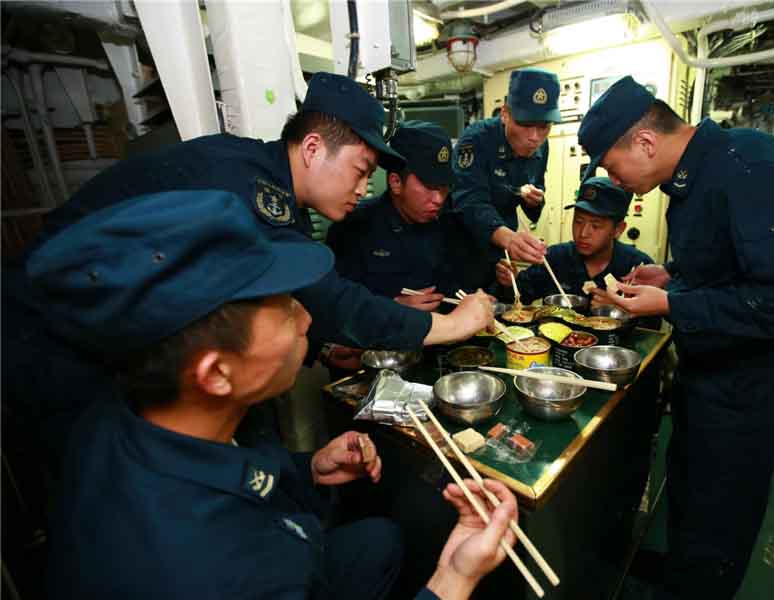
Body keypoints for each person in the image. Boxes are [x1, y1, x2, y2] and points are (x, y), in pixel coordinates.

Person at [30, 190, 518, 600]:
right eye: (285, 308)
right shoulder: (223, 571)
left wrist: (306, 469)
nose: (306, 319)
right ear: (216, 372)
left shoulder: (123, 418)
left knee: (381, 539)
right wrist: (454, 577)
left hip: (299, 544)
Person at [4, 71, 493, 470]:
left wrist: (323, 346)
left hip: (97, 334)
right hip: (47, 334)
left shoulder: (270, 187)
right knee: (94, 486)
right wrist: (454, 324)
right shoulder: (252, 188)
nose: (365, 188)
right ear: (313, 149)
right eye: (361, 170)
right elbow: (331, 302)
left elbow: (287, 301)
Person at [577, 76, 774, 598]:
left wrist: (673, 303)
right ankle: (681, 574)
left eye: (611, 167)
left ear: (645, 143)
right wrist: (673, 278)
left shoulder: (750, 169)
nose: (614, 179)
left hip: (750, 388)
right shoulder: (696, 176)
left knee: (722, 508)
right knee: (691, 487)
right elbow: (734, 270)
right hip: (711, 374)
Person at [326, 120, 457, 312]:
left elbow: (456, 285)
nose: (438, 199)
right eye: (429, 187)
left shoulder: (448, 222)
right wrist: (392, 308)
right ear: (396, 182)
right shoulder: (354, 228)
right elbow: (335, 305)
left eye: (444, 188)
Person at [450, 68, 562, 289]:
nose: (534, 137)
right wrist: (509, 239)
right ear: (505, 114)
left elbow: (537, 188)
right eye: (525, 124)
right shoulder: (476, 140)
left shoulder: (542, 146)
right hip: (463, 249)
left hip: (501, 254)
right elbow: (470, 202)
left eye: (543, 127)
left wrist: (535, 201)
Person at [494, 176, 653, 305]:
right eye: (578, 221)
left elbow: (652, 326)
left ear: (618, 229)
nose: (583, 233)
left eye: (596, 226)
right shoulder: (556, 257)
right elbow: (519, 297)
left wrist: (622, 310)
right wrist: (510, 282)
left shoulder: (637, 266)